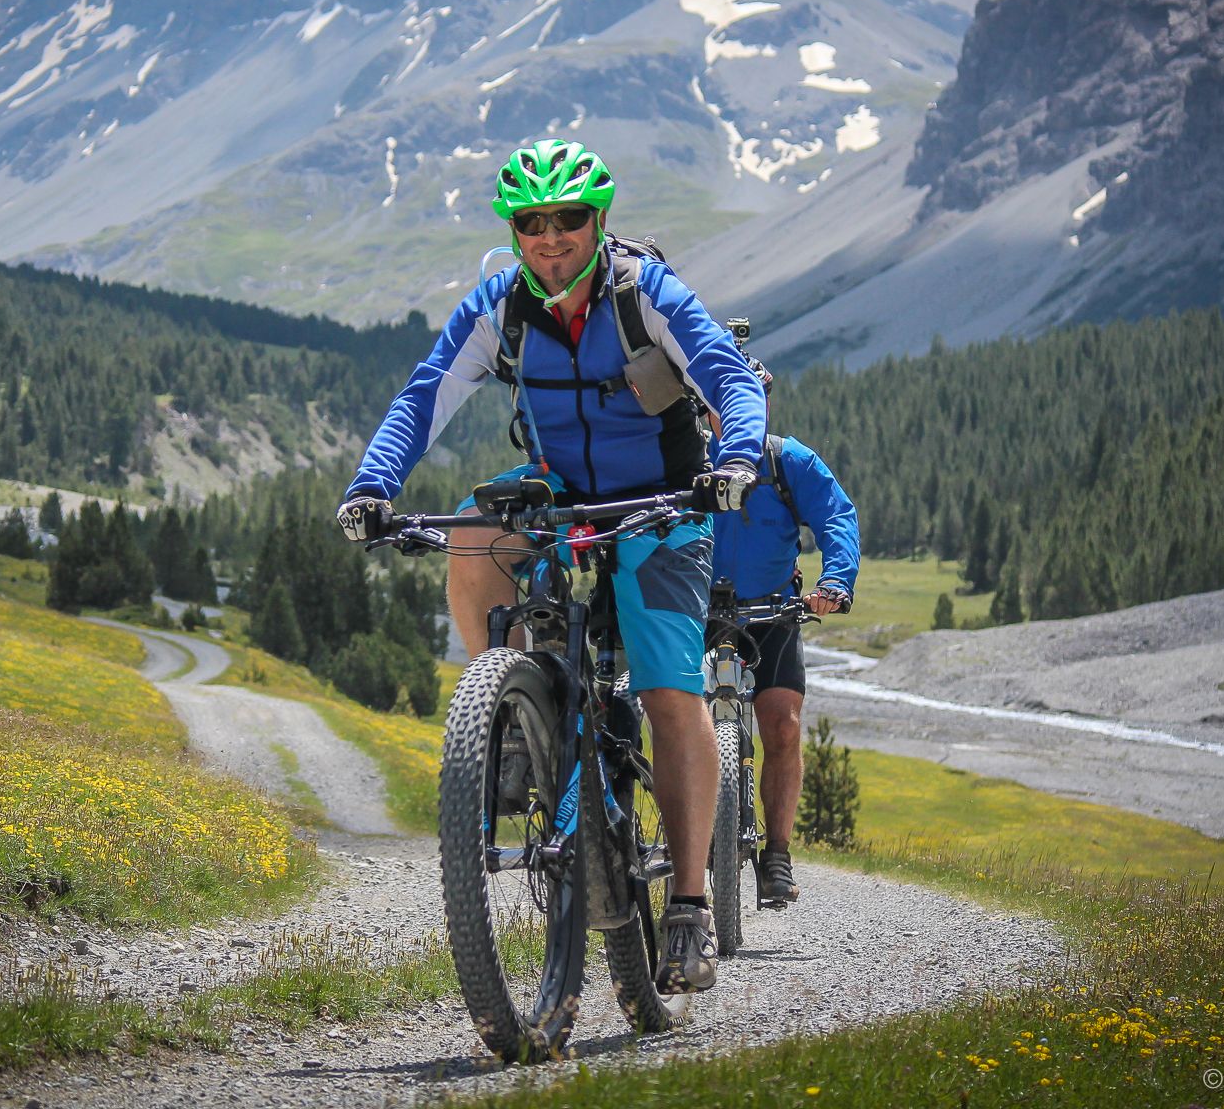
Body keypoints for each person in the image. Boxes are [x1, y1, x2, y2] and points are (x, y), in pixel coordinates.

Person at [337, 138, 768, 994]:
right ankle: (505, 710)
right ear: (515, 231)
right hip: (559, 493)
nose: (549, 237)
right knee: (470, 534)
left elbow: (725, 376)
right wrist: (372, 485)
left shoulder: (647, 295)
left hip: (664, 502)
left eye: (568, 218)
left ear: (598, 220)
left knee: (669, 690)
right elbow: (426, 394)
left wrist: (738, 458)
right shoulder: (500, 306)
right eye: (530, 222)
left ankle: (686, 907)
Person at [707, 353, 859, 906]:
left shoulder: (787, 461)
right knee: (671, 716)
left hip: (773, 612)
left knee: (784, 725)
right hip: (699, 613)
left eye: (752, 399)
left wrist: (835, 581)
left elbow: (837, 516)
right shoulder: (685, 462)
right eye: (723, 401)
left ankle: (776, 853)